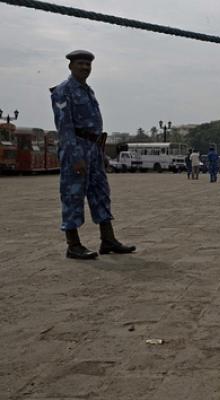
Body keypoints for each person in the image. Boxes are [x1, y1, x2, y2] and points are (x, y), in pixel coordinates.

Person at [50, 50, 136, 259]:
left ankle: (107, 240)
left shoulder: (87, 90)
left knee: (101, 193)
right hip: (76, 148)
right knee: (73, 195)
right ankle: (73, 244)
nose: (85, 68)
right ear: (70, 66)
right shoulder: (63, 91)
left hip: (93, 148)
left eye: (88, 65)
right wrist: (74, 157)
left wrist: (101, 153)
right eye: (80, 64)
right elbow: (65, 127)